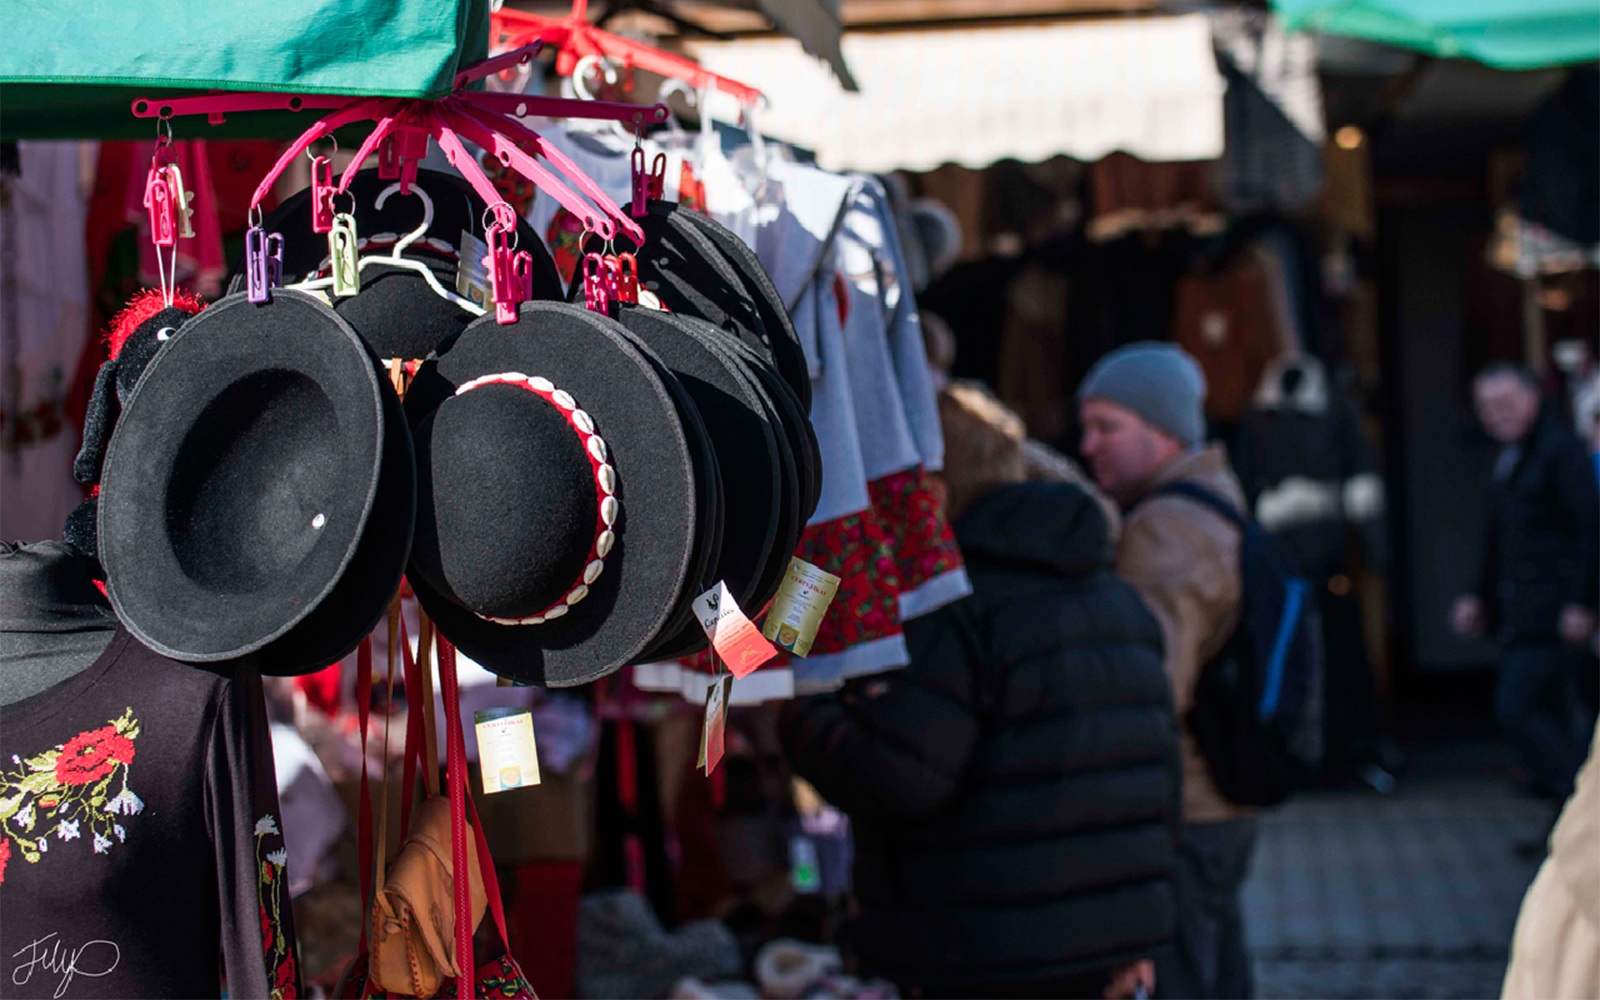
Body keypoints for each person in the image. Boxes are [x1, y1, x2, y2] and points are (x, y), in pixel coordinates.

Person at [780, 382, 1182, 998]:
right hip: (1099, 954)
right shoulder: (1117, 600)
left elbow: (902, 777)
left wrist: (808, 713)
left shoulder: (957, 611)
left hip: (982, 952)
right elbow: (1154, 784)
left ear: (932, 491)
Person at [1077, 342, 1254, 1000]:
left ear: (1166, 431)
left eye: (1108, 427)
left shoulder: (1165, 531)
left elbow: (1149, 695)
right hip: (1216, 803)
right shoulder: (1211, 500)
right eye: (1086, 427)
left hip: (1186, 809)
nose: (1089, 445)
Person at [1451, 363, 1598, 803]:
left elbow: (1591, 529)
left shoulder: (1560, 450)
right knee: (1546, 709)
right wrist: (1479, 595)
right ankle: (1567, 819)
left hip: (1552, 609)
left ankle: (1583, 803)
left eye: (1507, 404)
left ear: (1533, 398)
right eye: (1486, 407)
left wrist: (1582, 601)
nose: (1497, 415)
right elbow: (1499, 538)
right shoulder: (1509, 455)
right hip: (1523, 607)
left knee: (1517, 708)